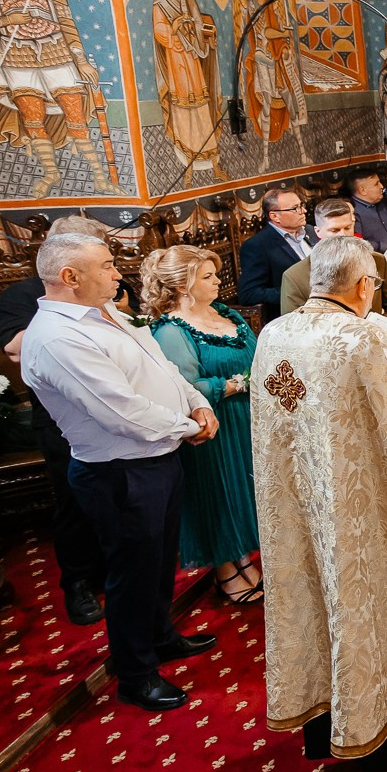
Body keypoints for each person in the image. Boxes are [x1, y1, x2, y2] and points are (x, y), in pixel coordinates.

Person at [249, 235, 387, 768]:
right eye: (373, 282)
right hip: (368, 514)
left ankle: (336, 727)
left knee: (327, 600)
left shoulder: (274, 335)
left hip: (305, 512)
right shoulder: (360, 340)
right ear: (360, 285)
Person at [20, 234, 219, 712]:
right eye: (107, 266)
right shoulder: (57, 337)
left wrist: (196, 400)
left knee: (158, 562)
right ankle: (136, 674)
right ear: (70, 277)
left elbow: (163, 367)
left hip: (157, 457)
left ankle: (160, 636)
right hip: (119, 471)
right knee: (131, 575)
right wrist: (185, 426)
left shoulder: (108, 313)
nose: (117, 274)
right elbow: (118, 411)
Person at [0, 216, 115, 626]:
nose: (110, 267)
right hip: (62, 419)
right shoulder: (24, 296)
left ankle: (118, 575)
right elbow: (14, 347)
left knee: (123, 501)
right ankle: (77, 583)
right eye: (97, 253)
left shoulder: (110, 289)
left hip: (118, 411)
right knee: (74, 503)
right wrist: (71, 318)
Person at [143, 246, 262, 605]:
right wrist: (235, 385)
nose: (217, 281)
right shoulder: (170, 330)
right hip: (214, 423)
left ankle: (244, 556)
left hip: (250, 417)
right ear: (182, 285)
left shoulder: (225, 313)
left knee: (248, 489)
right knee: (220, 492)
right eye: (207, 277)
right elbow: (181, 386)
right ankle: (226, 569)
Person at [278, 199, 387, 320]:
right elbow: (294, 326)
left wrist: (376, 328)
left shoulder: (376, 260)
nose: (343, 235)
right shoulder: (294, 276)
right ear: (318, 232)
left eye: (347, 228)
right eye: (334, 230)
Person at [238, 190, 315, 323]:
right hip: (293, 317)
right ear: (275, 216)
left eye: (302, 205)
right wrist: (293, 291)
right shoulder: (258, 246)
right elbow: (249, 294)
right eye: (295, 208)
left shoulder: (310, 231)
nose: (303, 211)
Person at [344, 167, 387, 252]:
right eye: (376, 184)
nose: (381, 187)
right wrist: (384, 247)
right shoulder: (353, 212)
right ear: (363, 190)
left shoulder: (383, 201)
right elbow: (357, 242)